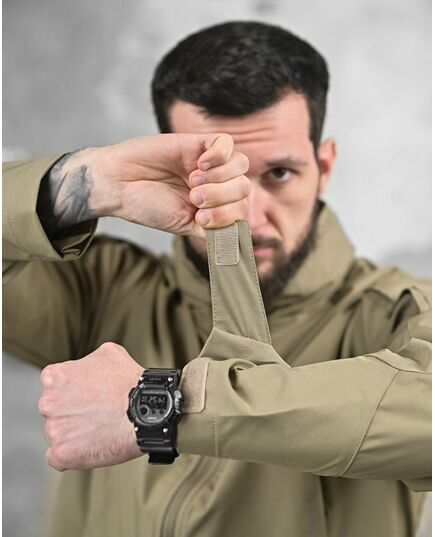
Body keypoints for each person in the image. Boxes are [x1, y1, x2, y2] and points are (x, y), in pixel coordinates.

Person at [3, 21, 431, 537]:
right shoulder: (102, 290)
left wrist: (157, 404)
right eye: (210, 178)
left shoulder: (394, 311)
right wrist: (80, 183)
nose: (248, 215)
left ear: (324, 165)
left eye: (279, 174)